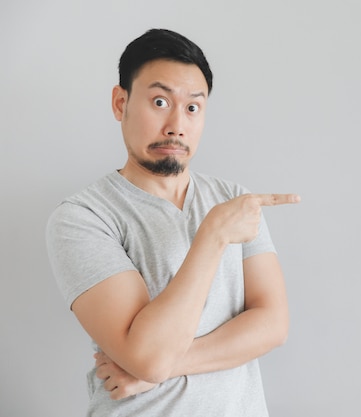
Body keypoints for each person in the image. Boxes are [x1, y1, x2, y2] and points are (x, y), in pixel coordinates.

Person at [45, 28, 300, 417]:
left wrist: (165, 369)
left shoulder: (235, 200)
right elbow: (147, 356)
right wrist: (212, 236)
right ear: (120, 103)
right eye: (160, 101)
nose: (177, 125)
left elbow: (273, 324)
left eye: (193, 108)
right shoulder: (83, 217)